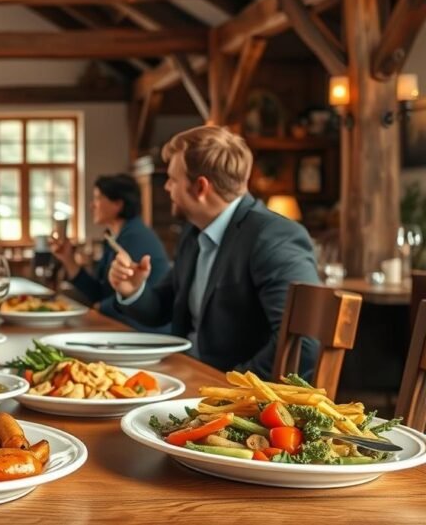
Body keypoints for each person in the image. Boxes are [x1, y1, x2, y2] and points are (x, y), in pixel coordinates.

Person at [109, 125, 320, 378]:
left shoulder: (273, 237)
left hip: (233, 395)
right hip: (187, 374)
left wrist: (228, 388)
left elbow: (302, 344)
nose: (167, 187)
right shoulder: (193, 231)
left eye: (173, 179)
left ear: (200, 187)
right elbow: (161, 310)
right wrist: (132, 291)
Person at [51, 174, 170, 333]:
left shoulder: (136, 237)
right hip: (123, 326)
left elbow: (114, 300)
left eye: (98, 198)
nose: (92, 205)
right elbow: (99, 293)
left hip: (142, 331)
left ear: (117, 204)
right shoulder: (115, 238)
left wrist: (99, 307)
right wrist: (68, 260)